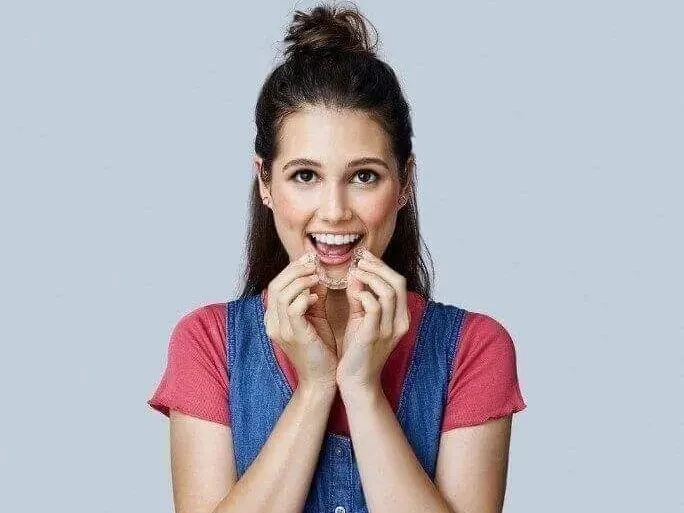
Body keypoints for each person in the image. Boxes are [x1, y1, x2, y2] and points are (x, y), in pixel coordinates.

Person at [147, 3, 527, 512]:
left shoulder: (474, 351)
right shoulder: (208, 345)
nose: (334, 211)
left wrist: (361, 388)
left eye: (364, 176)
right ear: (265, 181)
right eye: (305, 175)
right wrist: (314, 388)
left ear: (405, 182)